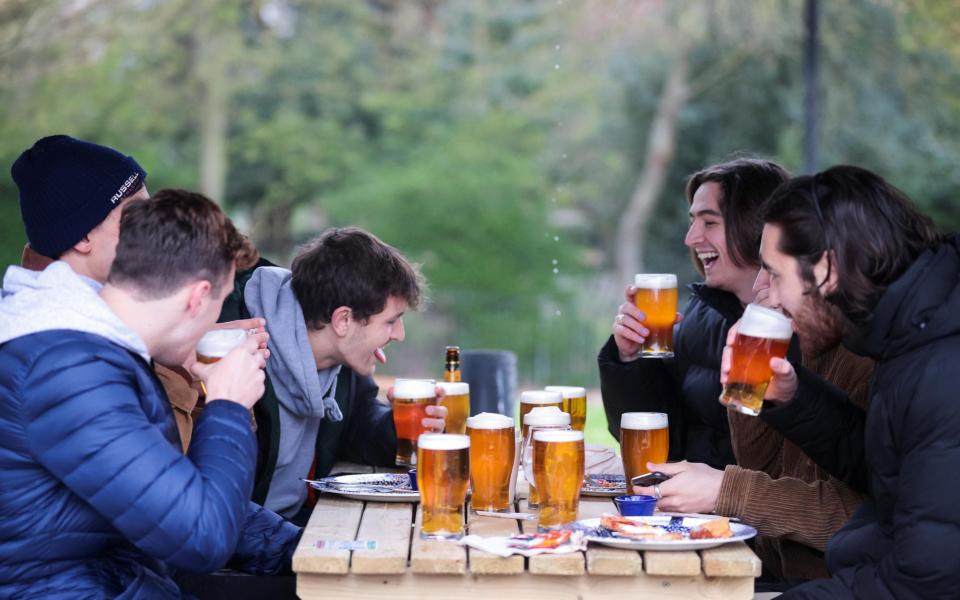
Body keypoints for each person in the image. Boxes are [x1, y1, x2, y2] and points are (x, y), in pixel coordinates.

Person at [0, 189, 300, 597]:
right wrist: (227, 404)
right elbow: (202, 539)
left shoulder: (92, 351)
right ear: (197, 298)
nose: (217, 321)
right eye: (220, 303)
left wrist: (300, 546)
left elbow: (167, 493)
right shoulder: (70, 368)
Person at [721, 165, 954, 597]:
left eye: (774, 274)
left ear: (826, 270)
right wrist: (794, 399)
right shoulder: (908, 335)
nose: (766, 294)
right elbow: (881, 463)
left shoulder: (940, 366)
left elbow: (923, 585)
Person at [9, 134, 262, 451]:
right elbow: (174, 479)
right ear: (82, 237)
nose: (151, 228)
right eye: (134, 216)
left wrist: (184, 345)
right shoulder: (66, 346)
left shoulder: (99, 318)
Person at [636, 269, 873, 581]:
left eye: (774, 272)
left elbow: (868, 517)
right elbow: (760, 466)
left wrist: (726, 490)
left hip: (824, 583)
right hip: (773, 573)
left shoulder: (869, 361)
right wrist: (745, 383)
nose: (761, 285)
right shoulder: (802, 346)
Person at [219, 227, 446, 523]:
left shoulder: (342, 361)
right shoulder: (234, 350)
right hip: (239, 545)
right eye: (391, 321)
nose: (399, 335)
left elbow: (358, 429)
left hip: (294, 528)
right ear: (344, 320)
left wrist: (399, 428)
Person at [599, 157, 790, 468]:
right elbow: (662, 442)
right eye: (692, 222)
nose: (691, 238)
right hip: (693, 509)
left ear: (755, 227)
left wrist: (722, 490)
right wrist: (629, 359)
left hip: (755, 511)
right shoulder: (702, 313)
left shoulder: (806, 328)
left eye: (709, 222)